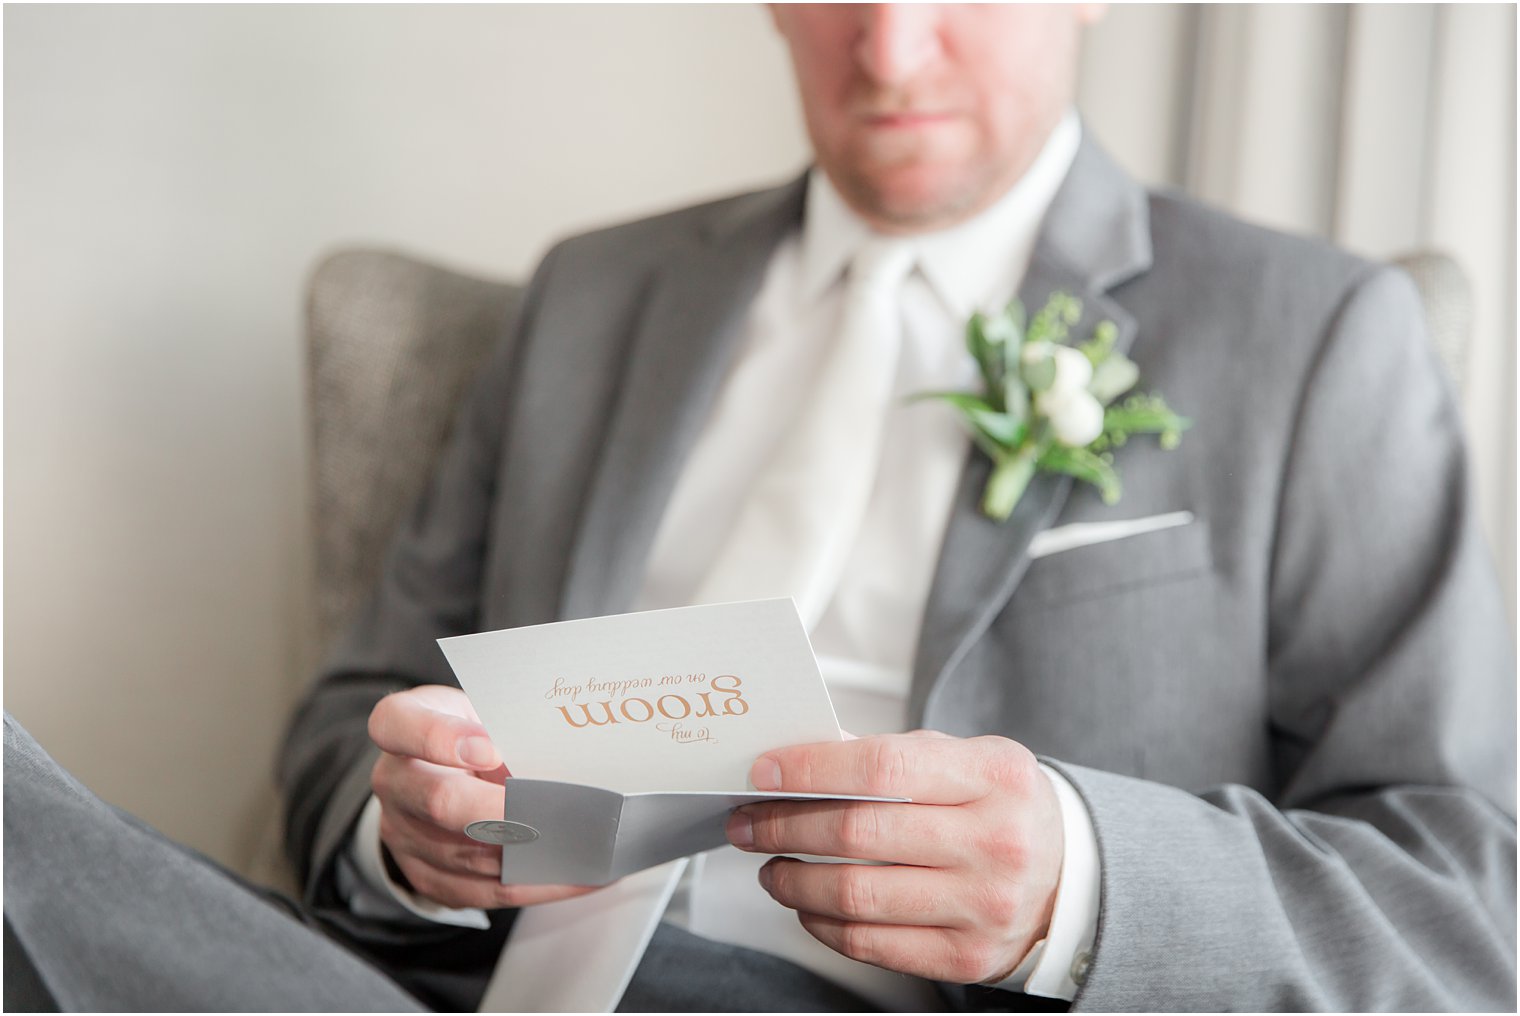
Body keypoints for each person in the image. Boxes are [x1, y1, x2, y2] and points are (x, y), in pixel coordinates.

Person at [5, 5, 1513, 1012]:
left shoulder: (1316, 334)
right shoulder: (592, 297)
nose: (892, 48)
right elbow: (352, 713)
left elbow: (1471, 898)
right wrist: (412, 843)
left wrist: (1080, 881)